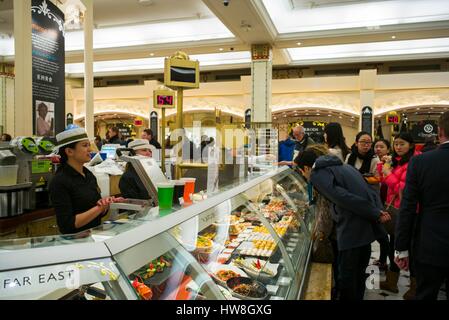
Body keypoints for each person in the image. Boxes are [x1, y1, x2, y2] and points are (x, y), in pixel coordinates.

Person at [295, 150, 389, 300]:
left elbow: (342, 197)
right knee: (359, 275)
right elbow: (369, 191)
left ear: (306, 168)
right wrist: (377, 210)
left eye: (301, 171)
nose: (304, 175)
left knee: (347, 279)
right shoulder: (344, 166)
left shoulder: (317, 174)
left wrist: (375, 213)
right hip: (364, 229)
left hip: (351, 230)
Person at [395, 111, 449, 300]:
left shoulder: (421, 162)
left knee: (425, 294)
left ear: (440, 131)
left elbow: (407, 208)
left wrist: (401, 248)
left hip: (430, 243)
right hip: (431, 242)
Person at [49, 128, 124, 234]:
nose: (90, 149)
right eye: (85, 145)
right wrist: (99, 208)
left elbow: (98, 210)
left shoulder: (89, 174)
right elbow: (67, 225)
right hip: (76, 243)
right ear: (69, 151)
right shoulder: (59, 182)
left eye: (89, 145)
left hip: (94, 235)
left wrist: (106, 204)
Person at [379, 132, 421, 298]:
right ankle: (391, 282)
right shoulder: (397, 161)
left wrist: (388, 173)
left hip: (410, 212)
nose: (398, 147)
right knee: (395, 246)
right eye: (396, 144)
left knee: (410, 249)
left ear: (410, 145)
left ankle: (415, 288)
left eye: (402, 144)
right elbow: (387, 184)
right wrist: (383, 168)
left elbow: (402, 189)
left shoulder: (415, 162)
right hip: (396, 210)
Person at [371, 138, 392, 271]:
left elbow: (385, 180)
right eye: (376, 146)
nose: (378, 149)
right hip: (378, 200)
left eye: (381, 147)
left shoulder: (388, 162)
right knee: (381, 233)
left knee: (383, 234)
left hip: (386, 202)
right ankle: (384, 260)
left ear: (388, 149)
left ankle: (387, 262)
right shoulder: (379, 161)